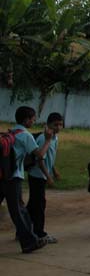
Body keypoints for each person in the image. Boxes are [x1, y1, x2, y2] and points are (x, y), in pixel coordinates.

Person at [0, 106, 54, 253]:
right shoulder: (25, 135)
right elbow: (40, 154)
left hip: (2, 175)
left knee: (19, 208)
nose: (34, 120)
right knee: (18, 210)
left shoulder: (11, 132)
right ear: (26, 120)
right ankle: (30, 242)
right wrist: (48, 140)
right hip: (13, 176)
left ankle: (29, 239)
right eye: (33, 118)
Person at [27, 112, 63, 244]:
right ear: (48, 125)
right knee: (39, 206)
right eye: (55, 125)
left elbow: (50, 157)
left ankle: (23, 231)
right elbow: (39, 159)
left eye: (60, 124)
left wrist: (54, 170)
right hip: (37, 175)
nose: (58, 127)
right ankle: (40, 233)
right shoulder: (44, 139)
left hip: (42, 175)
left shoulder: (55, 138)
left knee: (33, 204)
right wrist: (48, 176)